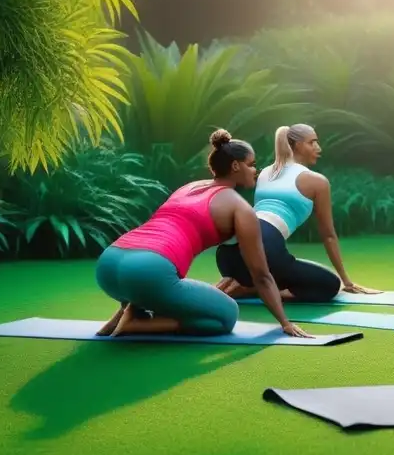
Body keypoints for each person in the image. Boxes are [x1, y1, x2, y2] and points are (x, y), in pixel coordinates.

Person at [94, 130, 313, 339]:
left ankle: (130, 308)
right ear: (236, 166)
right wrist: (285, 322)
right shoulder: (240, 208)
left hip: (108, 264)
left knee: (160, 290)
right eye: (251, 164)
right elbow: (261, 276)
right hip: (149, 271)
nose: (255, 170)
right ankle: (137, 324)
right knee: (225, 316)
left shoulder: (188, 187)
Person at [215, 123, 379, 302]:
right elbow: (329, 235)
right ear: (298, 145)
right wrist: (347, 282)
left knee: (283, 265)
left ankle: (246, 283)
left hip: (226, 256)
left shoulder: (263, 174)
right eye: (312, 142)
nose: (318, 148)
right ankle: (252, 288)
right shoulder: (317, 182)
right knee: (330, 284)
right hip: (265, 251)